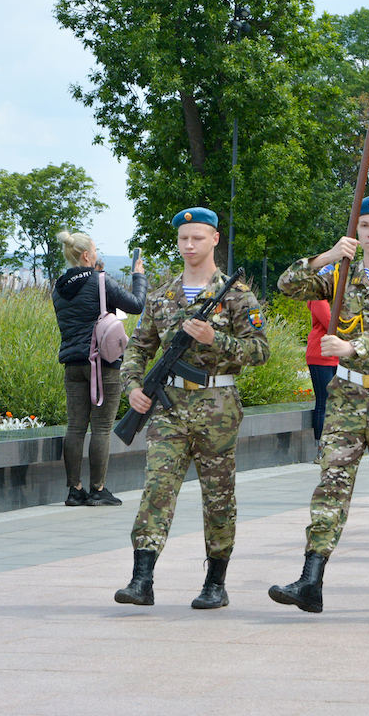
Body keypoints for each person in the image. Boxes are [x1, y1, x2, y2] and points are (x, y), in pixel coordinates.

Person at [269, 196, 369, 615]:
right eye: (364, 227)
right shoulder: (342, 274)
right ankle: (311, 580)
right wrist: (325, 256)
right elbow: (287, 286)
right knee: (331, 485)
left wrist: (354, 345)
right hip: (347, 396)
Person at [114, 207, 270, 609]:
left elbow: (260, 351)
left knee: (218, 495)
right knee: (157, 488)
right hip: (169, 407)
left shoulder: (237, 295)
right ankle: (141, 579)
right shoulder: (162, 296)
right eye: (183, 238)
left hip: (217, 405)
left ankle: (215, 583)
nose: (188, 245)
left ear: (214, 239)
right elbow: (137, 349)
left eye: (197, 238)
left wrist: (215, 340)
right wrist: (132, 387)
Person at [52, 231, 147, 507]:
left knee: (75, 427)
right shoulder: (100, 281)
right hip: (102, 364)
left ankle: (74, 489)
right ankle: (98, 489)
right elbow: (136, 304)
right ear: (86, 255)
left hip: (73, 364)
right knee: (102, 428)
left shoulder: (59, 287)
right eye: (94, 251)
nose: (97, 254)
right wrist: (138, 276)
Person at [305, 299, 338, 443]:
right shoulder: (319, 297)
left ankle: (333, 444)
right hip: (321, 354)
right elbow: (330, 322)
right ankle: (321, 447)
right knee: (324, 402)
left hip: (336, 354)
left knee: (336, 401)